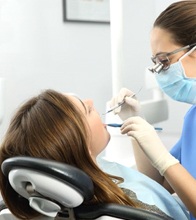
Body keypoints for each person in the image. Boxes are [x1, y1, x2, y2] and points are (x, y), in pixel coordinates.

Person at [0, 89, 188, 220]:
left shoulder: (86, 180)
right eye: (87, 109)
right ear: (81, 145)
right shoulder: (126, 208)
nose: (91, 101)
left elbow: (150, 186)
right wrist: (164, 160)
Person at [109, 1, 196, 219]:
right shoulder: (193, 117)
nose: (161, 73)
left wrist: (165, 160)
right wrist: (137, 124)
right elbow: (160, 183)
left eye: (165, 61)